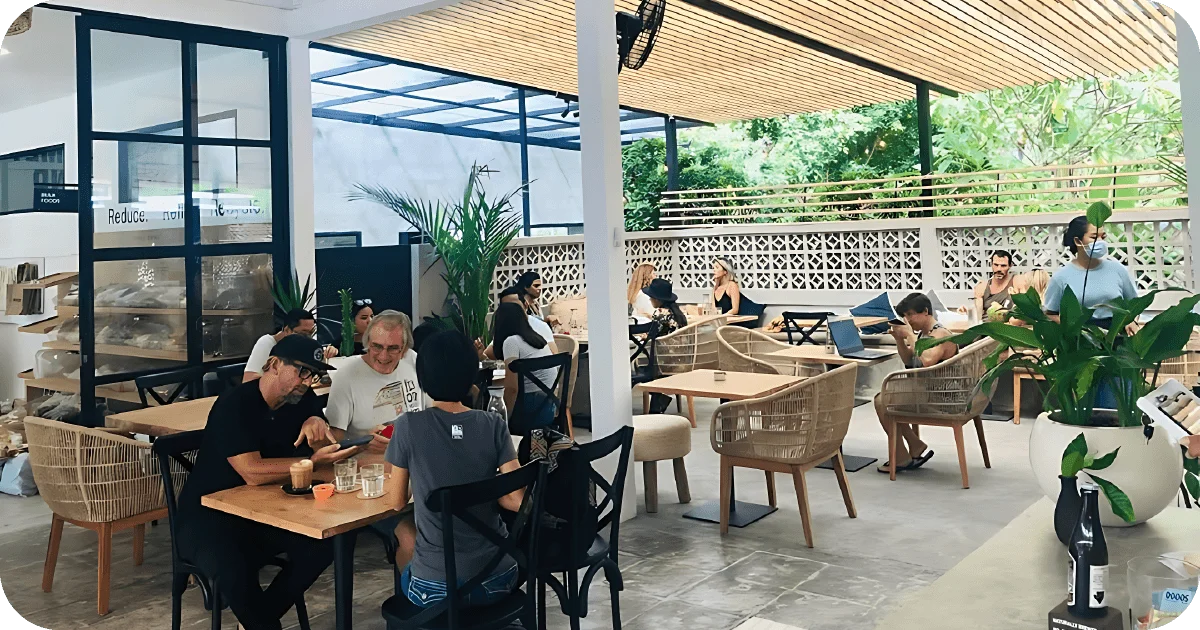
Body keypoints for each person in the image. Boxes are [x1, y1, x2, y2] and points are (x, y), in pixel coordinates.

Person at [176, 335, 356, 630]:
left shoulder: (300, 398)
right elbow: (252, 471)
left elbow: (312, 413)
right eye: (302, 371)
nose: (307, 381)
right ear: (273, 365)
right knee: (232, 570)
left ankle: (257, 623)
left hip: (263, 513)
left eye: (314, 374)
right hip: (207, 514)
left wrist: (316, 419)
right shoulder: (235, 404)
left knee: (328, 543)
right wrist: (311, 463)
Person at [385, 329, 523, 608]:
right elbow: (515, 500)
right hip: (501, 578)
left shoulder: (408, 426)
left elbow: (396, 501)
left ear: (423, 376)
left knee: (404, 535)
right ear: (471, 374)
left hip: (435, 590)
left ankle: (418, 619)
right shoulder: (493, 424)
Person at [876, 293, 958, 475]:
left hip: (940, 395)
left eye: (911, 315)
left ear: (926, 311)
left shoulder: (940, 334)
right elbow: (909, 361)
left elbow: (926, 359)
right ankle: (913, 445)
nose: (907, 320)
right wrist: (899, 339)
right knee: (883, 399)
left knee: (882, 401)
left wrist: (910, 336)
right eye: (904, 316)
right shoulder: (925, 334)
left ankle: (902, 455)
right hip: (925, 388)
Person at [326, 310, 426, 451]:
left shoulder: (413, 360)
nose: (383, 356)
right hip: (369, 463)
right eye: (377, 346)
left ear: (404, 349)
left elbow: (431, 411)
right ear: (367, 343)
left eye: (393, 348)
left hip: (413, 455)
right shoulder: (346, 377)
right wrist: (363, 444)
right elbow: (334, 441)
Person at [1044, 215, 1138, 331]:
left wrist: (1131, 321)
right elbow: (1050, 313)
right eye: (1094, 237)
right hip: (1080, 340)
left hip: (1116, 337)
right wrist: (1076, 330)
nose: (1101, 242)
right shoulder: (1061, 277)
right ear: (1078, 241)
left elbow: (1135, 305)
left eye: (1103, 237)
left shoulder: (1117, 269)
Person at [494, 302, 560, 432]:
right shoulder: (537, 338)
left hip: (530, 410)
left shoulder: (511, 342)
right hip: (549, 407)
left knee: (491, 406)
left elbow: (512, 389)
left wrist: (505, 420)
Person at [244, 308, 336, 382]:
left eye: (310, 333)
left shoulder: (299, 346)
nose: (307, 338)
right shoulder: (267, 343)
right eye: (303, 333)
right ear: (287, 330)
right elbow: (248, 379)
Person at [643, 278, 686, 414]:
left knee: (641, 371)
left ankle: (657, 403)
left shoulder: (661, 314)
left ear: (658, 300)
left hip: (664, 362)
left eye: (651, 298)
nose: (650, 300)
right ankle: (659, 401)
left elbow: (652, 334)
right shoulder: (677, 314)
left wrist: (645, 335)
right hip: (680, 359)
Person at [962, 251, 1015, 316]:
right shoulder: (982, 287)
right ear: (991, 264)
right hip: (985, 323)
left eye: (1003, 266)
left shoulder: (1016, 284)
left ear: (1010, 266)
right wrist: (966, 312)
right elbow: (978, 314)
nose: (999, 269)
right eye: (996, 265)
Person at [712, 257, 764, 322]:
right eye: (713, 268)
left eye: (717, 267)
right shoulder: (715, 289)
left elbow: (735, 310)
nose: (714, 270)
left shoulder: (732, 286)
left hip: (734, 322)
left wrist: (721, 318)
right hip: (722, 322)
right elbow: (713, 309)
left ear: (725, 271)